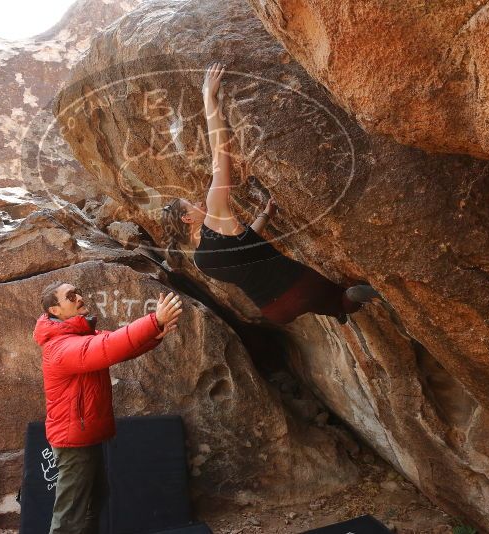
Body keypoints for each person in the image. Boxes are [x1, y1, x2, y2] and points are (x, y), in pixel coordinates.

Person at [160, 63, 380, 325]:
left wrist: (265, 214)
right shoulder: (215, 215)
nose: (199, 202)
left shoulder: (200, 262)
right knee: (338, 297)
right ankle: (348, 301)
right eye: (191, 205)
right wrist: (208, 98)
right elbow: (220, 154)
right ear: (187, 219)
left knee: (324, 306)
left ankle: (340, 311)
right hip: (298, 285)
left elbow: (245, 246)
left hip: (275, 311)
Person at [33, 282, 182, 534]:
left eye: (78, 291)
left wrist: (154, 334)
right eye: (70, 296)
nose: (79, 297)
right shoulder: (59, 347)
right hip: (73, 443)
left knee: (93, 500)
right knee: (70, 517)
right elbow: (107, 347)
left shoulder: (80, 336)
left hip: (84, 436)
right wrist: (153, 320)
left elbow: (117, 348)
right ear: (55, 310)